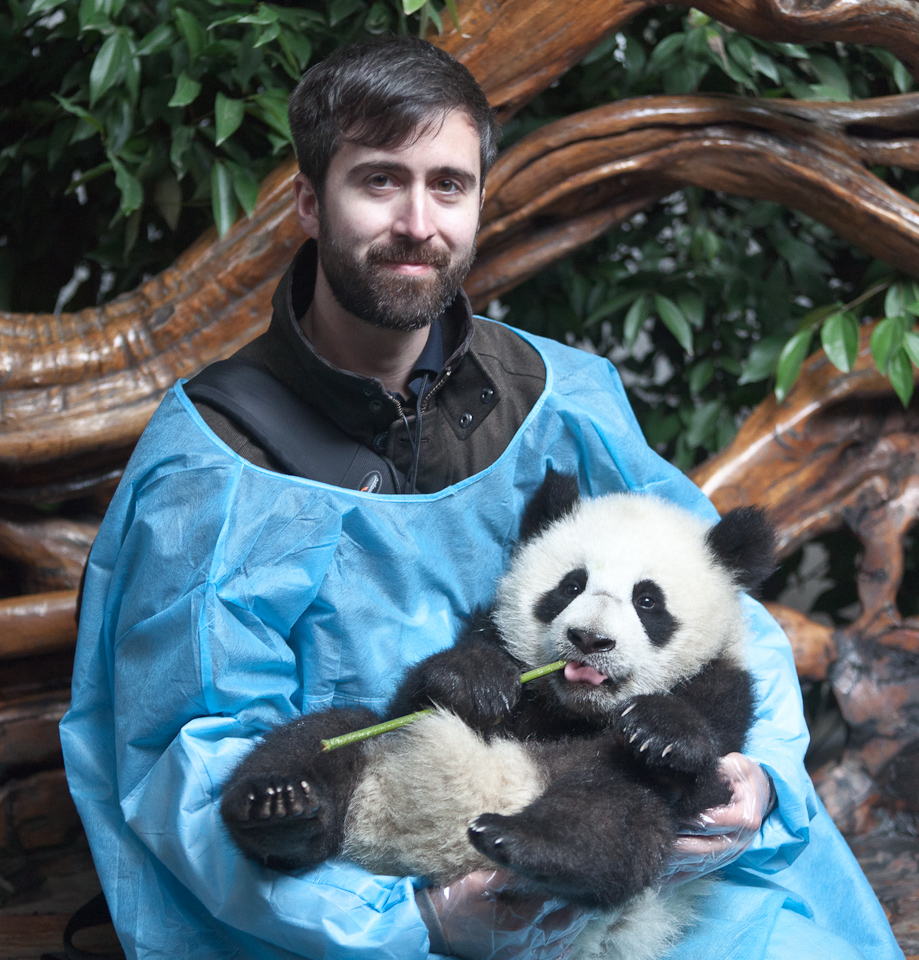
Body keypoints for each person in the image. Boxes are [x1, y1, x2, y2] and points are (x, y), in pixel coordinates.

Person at [61, 35, 904, 960]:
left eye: (448, 185)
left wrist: (763, 782)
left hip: (617, 853)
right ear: (307, 199)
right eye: (379, 181)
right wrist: (415, 925)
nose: (418, 222)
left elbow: (716, 609)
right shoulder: (214, 465)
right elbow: (183, 764)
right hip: (354, 898)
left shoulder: (560, 400)